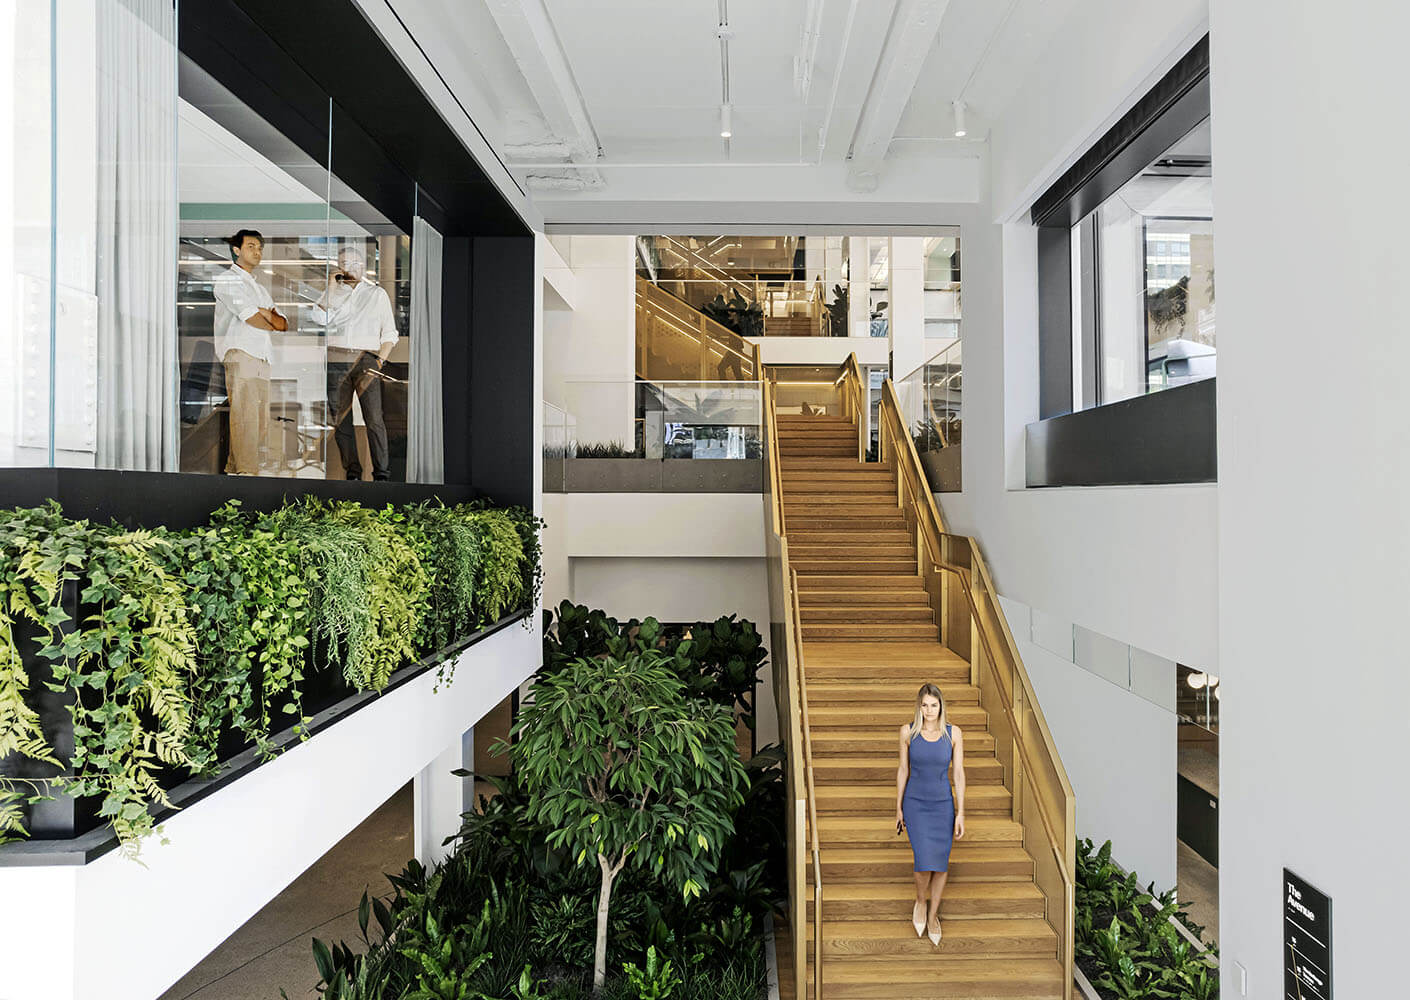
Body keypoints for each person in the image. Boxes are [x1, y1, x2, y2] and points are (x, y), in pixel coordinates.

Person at [314, 246, 399, 480]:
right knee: (341, 420)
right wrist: (331, 287)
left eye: (354, 263)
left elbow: (389, 332)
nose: (350, 267)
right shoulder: (331, 293)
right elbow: (318, 318)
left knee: (374, 419)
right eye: (344, 263)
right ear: (338, 267)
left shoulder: (376, 294)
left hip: (366, 359)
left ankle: (382, 474)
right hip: (336, 359)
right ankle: (353, 473)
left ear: (363, 266)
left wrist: (379, 361)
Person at [896, 682, 966, 945]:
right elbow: (903, 770)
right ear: (919, 706)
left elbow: (958, 774)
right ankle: (920, 901)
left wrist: (961, 812)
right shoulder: (907, 732)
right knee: (924, 861)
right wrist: (898, 807)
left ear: (941, 706)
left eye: (933, 705)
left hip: (943, 805)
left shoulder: (953, 733)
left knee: (940, 863)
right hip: (915, 805)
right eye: (924, 705)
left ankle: (933, 915)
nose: (929, 710)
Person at [212, 229, 287, 475]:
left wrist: (265, 315)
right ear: (236, 250)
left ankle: (236, 469)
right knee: (245, 416)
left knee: (260, 420)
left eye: (260, 248)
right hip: (241, 351)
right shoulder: (228, 280)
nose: (257, 252)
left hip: (262, 356)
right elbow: (251, 318)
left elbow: (283, 324)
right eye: (251, 246)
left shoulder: (260, 288)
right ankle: (247, 472)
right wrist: (266, 315)